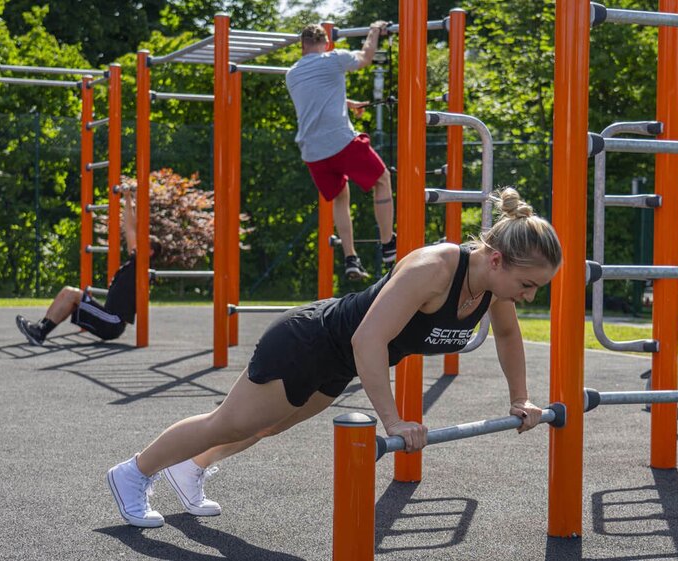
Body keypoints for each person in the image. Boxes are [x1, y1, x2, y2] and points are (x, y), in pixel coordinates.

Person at [106, 188, 561, 528]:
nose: (529, 295)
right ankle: (134, 472)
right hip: (308, 342)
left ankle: (191, 466)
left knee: (268, 426)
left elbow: (507, 338)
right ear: (498, 259)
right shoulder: (436, 269)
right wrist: (395, 422)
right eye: (529, 285)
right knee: (229, 422)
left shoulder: (491, 288)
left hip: (339, 362)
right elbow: (368, 341)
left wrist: (521, 398)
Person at [286, 22, 396, 281]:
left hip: (313, 154)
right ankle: (388, 244)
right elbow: (367, 57)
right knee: (382, 180)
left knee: (340, 197)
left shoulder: (292, 74)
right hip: (340, 143)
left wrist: (347, 103)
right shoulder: (334, 59)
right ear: (326, 44)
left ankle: (350, 257)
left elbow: (315, 99)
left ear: (302, 46)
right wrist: (373, 30)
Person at [16, 187, 158, 345]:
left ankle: (40, 332)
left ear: (150, 252)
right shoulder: (135, 261)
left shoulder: (142, 266)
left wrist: (138, 197)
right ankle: (40, 330)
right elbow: (129, 228)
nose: (137, 243)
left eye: (143, 242)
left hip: (113, 322)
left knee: (72, 294)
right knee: (67, 293)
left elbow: (137, 226)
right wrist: (128, 197)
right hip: (108, 317)